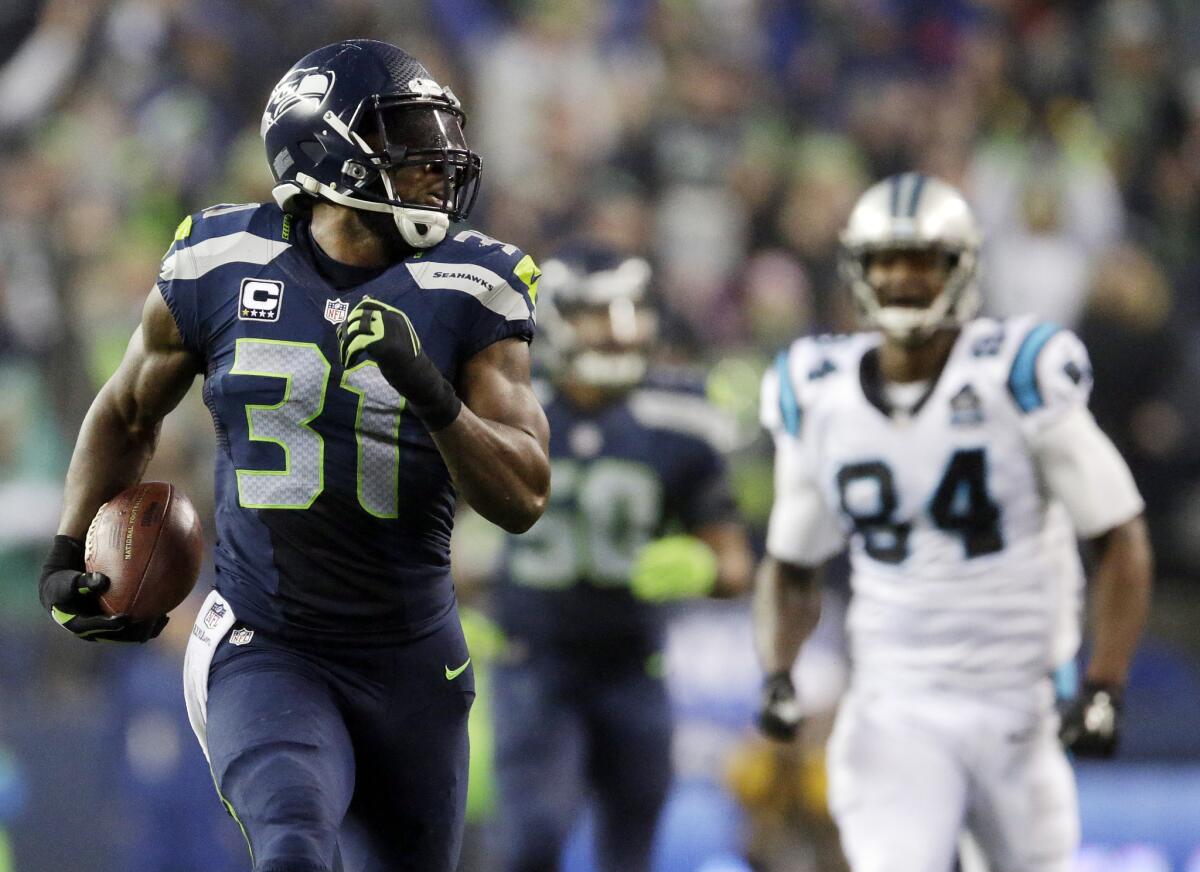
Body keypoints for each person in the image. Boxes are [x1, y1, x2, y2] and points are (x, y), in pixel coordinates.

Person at [36, 39, 550, 872]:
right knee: (295, 844)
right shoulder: (217, 263)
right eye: (401, 138)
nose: (433, 162)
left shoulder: (476, 282)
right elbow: (127, 411)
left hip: (413, 654)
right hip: (268, 642)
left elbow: (524, 496)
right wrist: (67, 549)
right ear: (325, 153)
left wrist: (428, 388)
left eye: (434, 135)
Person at [753, 173, 1153, 872]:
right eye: (886, 260)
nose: (903, 277)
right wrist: (779, 671)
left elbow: (1119, 534)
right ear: (858, 269)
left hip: (1020, 696)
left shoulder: (1018, 373)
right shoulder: (817, 390)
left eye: (922, 260)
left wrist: (1105, 681)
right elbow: (792, 566)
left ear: (961, 267)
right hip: (895, 696)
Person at [488, 245, 754, 872]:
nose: (617, 331)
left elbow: (735, 559)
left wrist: (703, 567)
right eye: (597, 314)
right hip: (535, 661)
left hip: (634, 664)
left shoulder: (682, 415)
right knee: (534, 839)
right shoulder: (507, 401)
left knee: (630, 851)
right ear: (554, 318)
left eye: (629, 311)